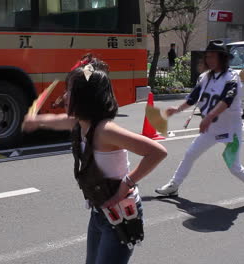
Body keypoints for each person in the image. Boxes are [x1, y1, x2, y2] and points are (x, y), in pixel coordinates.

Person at [23, 56, 167, 264]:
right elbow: (60, 121)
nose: (64, 96)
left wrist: (127, 183)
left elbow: (157, 151)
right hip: (100, 213)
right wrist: (36, 122)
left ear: (85, 97)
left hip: (120, 216)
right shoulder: (81, 123)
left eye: (70, 91)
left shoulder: (105, 131)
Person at [155, 40, 244, 208]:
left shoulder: (232, 78)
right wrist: (177, 109)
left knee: (234, 166)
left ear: (222, 58)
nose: (209, 60)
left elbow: (226, 100)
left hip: (230, 129)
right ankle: (174, 186)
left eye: (213, 56)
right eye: (207, 57)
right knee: (190, 153)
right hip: (211, 128)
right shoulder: (205, 77)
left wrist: (209, 116)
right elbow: (193, 97)